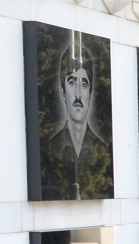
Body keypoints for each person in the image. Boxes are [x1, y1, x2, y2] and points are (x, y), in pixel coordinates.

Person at [45, 38, 112, 200]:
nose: (78, 94)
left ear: (90, 95)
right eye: (71, 83)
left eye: (83, 85)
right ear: (62, 93)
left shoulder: (102, 148)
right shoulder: (51, 146)